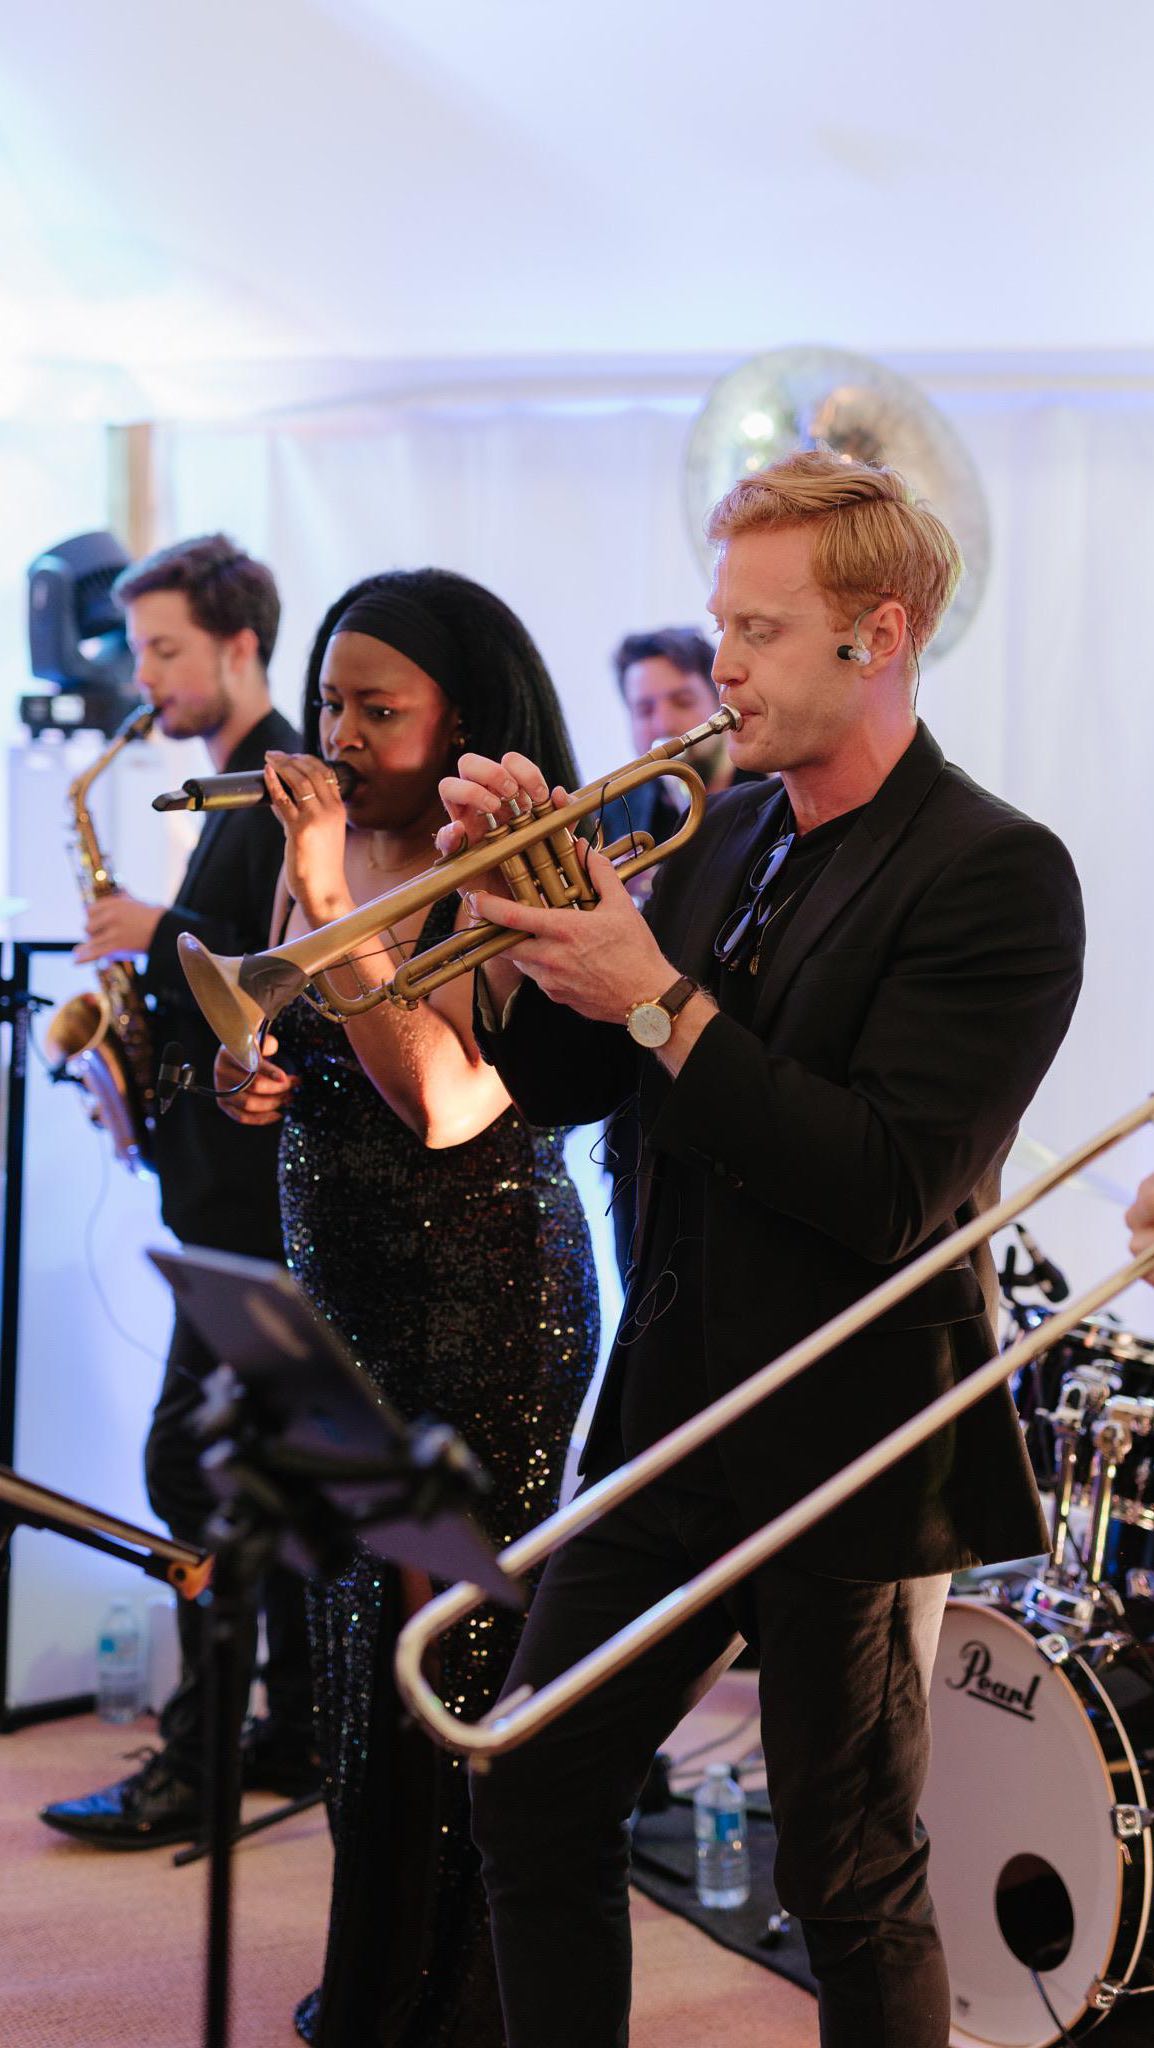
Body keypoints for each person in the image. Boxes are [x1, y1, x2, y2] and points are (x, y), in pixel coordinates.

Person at [437, 451, 1086, 2048]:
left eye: (759, 629)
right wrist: (528, 938)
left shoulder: (997, 873)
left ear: (876, 635)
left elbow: (880, 1184)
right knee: (530, 1789)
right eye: (720, 622)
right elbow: (597, 1099)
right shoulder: (724, 835)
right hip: (675, 1408)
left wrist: (654, 993)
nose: (715, 664)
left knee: (843, 1872)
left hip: (848, 1428)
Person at [213, 568, 599, 2047]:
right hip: (344, 1294)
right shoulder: (318, 841)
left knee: (448, 1653)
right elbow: (300, 1038)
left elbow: (438, 1101)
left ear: (464, 718)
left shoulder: (499, 859)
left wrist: (327, 897)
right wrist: (261, 1075)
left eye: (383, 708)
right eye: (332, 702)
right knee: (354, 1659)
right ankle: (378, 1980)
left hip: (477, 1291)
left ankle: (456, 2007)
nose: (346, 731)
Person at [40, 534, 317, 1850]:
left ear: (239, 645)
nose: (144, 679)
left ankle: (197, 1763)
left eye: (163, 650)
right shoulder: (223, 787)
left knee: (192, 1474)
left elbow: (295, 974)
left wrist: (158, 938)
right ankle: (291, 1729)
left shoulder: (283, 784)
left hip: (260, 1206)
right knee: (262, 1480)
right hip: (218, 1189)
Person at [599, 627, 765, 1280]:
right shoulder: (622, 808)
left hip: (736, 1102)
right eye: (644, 709)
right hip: (640, 1118)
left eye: (680, 701)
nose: (662, 725)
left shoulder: (775, 801)